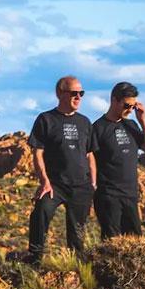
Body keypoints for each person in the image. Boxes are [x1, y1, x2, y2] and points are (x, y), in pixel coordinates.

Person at [28, 76, 96, 257]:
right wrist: (44, 181)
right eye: (74, 93)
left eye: (81, 93)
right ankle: (35, 259)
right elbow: (37, 153)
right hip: (54, 184)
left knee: (77, 233)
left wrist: (93, 183)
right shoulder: (46, 119)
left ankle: (76, 266)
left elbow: (90, 154)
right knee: (40, 213)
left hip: (81, 186)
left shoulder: (85, 122)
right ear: (60, 93)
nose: (78, 97)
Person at [90, 82, 145, 239]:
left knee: (136, 243)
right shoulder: (98, 128)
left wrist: (143, 121)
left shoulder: (132, 125)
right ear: (114, 100)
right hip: (108, 195)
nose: (130, 110)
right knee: (111, 244)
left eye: (133, 107)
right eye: (127, 105)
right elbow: (89, 160)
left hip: (130, 195)